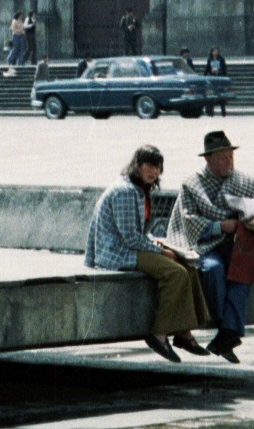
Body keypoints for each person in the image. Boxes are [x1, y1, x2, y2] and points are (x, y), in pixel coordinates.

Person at [84, 144, 211, 363]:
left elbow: (141, 233)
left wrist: (166, 247)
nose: (154, 172)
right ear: (137, 165)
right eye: (149, 166)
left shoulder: (140, 190)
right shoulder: (125, 191)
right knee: (175, 273)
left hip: (129, 247)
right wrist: (161, 251)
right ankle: (159, 334)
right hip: (117, 253)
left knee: (187, 266)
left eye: (158, 167)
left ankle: (184, 333)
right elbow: (130, 237)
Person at [166, 129, 254, 363]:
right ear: (208, 159)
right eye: (222, 157)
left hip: (235, 242)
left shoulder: (244, 181)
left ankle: (227, 334)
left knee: (243, 269)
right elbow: (188, 220)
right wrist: (221, 226)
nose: (228, 161)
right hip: (202, 243)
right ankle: (225, 326)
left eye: (231, 156)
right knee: (213, 269)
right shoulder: (192, 184)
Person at [204, 46, 227, 117]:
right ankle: (211, 110)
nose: (215, 52)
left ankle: (223, 109)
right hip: (212, 79)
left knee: (221, 95)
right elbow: (207, 68)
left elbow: (224, 68)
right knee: (212, 95)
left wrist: (221, 72)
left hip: (219, 78)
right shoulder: (209, 59)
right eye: (213, 51)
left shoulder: (221, 59)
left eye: (216, 51)